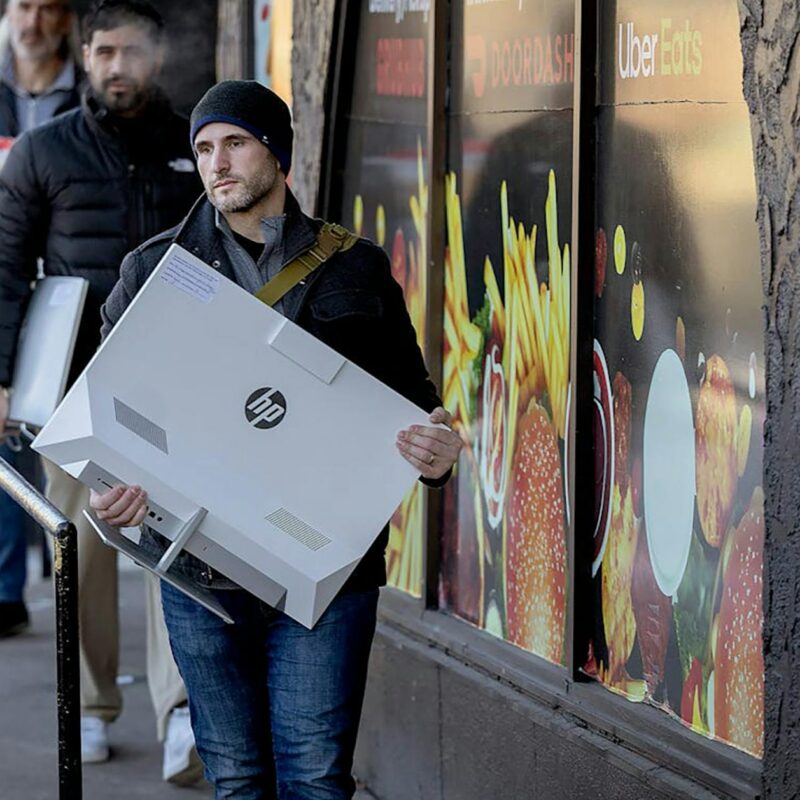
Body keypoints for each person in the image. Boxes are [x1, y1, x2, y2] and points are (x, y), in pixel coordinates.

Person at [92, 79, 462, 799]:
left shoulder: (354, 263)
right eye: (204, 148)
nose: (217, 163)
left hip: (324, 569)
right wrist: (114, 494)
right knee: (237, 780)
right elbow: (108, 418)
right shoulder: (153, 271)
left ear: (279, 155)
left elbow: (414, 403)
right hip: (198, 570)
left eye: (235, 143)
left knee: (317, 781)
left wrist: (436, 458)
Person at [0, 0, 204, 784]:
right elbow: (5, 268)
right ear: (86, 56)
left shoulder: (193, 144)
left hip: (177, 383)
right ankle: (89, 705)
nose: (119, 66)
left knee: (174, 545)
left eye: (133, 52)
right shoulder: (43, 151)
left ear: (158, 56)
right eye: (106, 52)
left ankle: (180, 711)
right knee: (80, 549)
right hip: (76, 384)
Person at [0, 0, 82, 640]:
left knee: (47, 443)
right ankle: (6, 588)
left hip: (60, 288)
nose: (31, 21)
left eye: (45, 7)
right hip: (3, 273)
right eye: (21, 5)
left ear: (65, 19)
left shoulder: (88, 96)